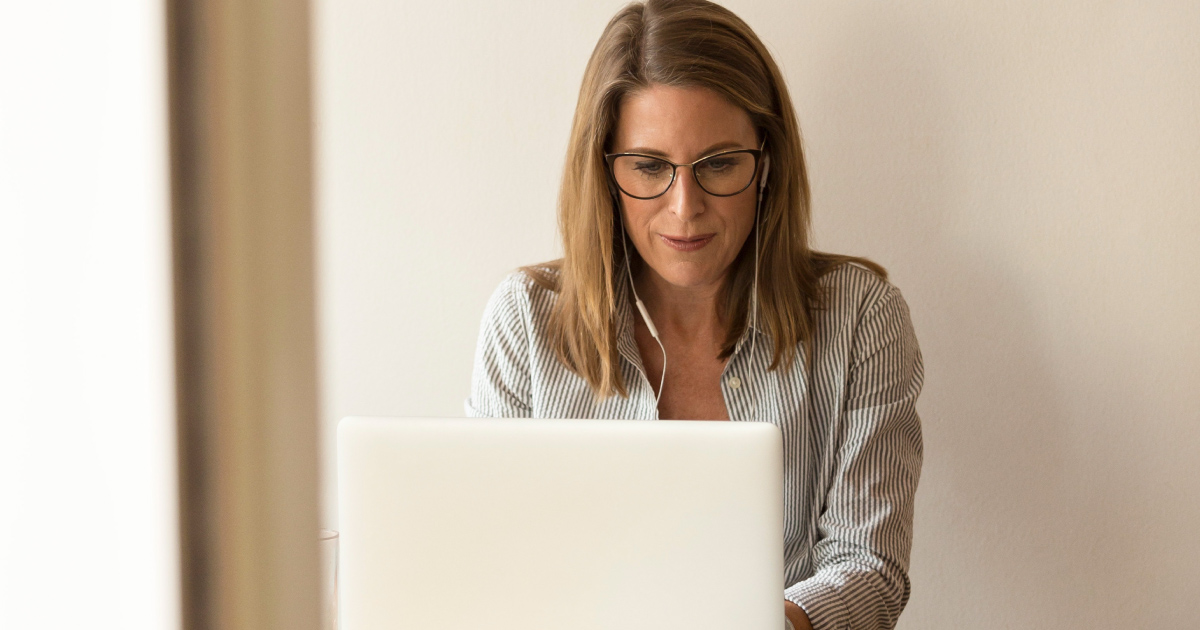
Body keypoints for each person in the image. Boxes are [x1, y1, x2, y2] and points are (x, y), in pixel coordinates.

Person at [464, 1, 924, 629]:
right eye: (650, 166)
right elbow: (488, 562)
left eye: (719, 165)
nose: (686, 208)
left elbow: (869, 567)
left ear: (767, 163)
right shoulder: (525, 322)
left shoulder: (860, 317)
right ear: (603, 171)